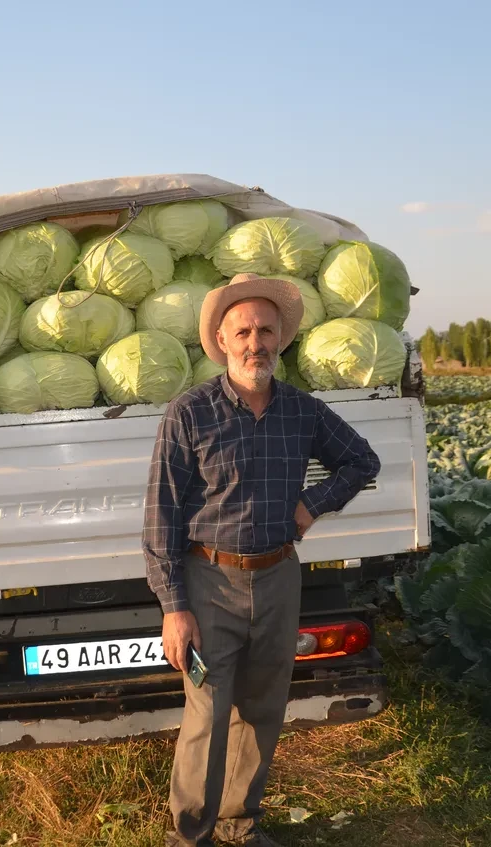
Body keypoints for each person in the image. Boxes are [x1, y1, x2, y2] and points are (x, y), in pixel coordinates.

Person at [143, 273, 382, 846]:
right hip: (208, 580)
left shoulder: (303, 411)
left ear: (281, 339)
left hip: (277, 577)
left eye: (266, 330)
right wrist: (175, 607)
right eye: (243, 330)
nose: (256, 342)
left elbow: (362, 462)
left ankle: (240, 824)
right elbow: (161, 517)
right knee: (207, 714)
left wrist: (312, 503)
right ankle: (190, 834)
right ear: (222, 340)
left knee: (264, 706)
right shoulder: (190, 412)